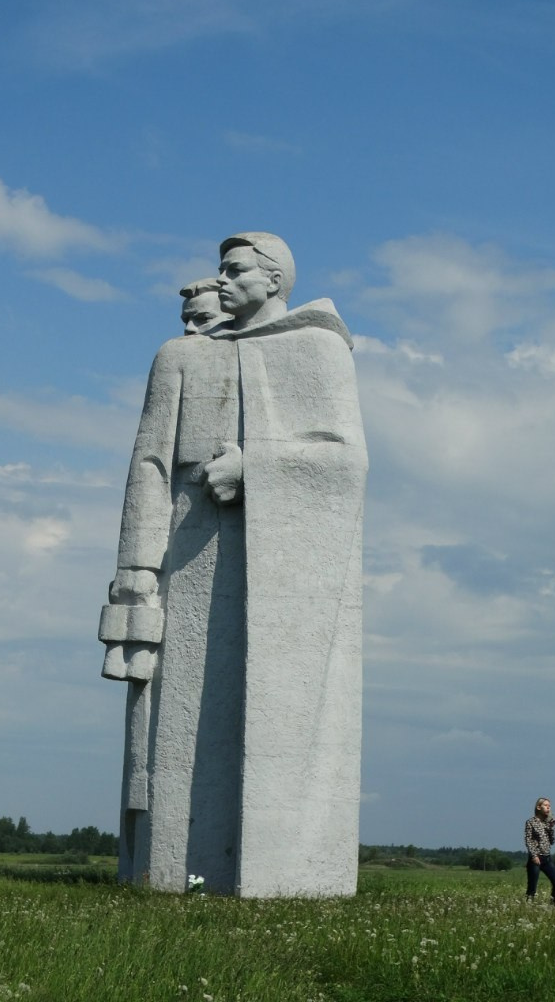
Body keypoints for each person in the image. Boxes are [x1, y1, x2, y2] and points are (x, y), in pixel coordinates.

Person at [99, 232, 368, 898]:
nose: (221, 280)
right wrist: (136, 577)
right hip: (187, 567)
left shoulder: (319, 348)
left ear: (274, 279)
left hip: (282, 576)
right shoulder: (186, 357)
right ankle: (176, 875)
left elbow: (346, 459)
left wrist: (260, 468)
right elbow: (150, 467)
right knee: (176, 727)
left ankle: (288, 880)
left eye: (235, 269)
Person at [524, 797, 555, 904]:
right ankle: (528, 906)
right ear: (539, 807)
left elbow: (552, 841)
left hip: (547, 858)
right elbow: (528, 840)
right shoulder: (531, 822)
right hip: (535, 858)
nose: (548, 808)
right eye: (546, 805)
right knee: (532, 886)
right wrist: (534, 856)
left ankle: (552, 903)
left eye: (549, 806)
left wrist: (551, 827)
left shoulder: (548, 823)